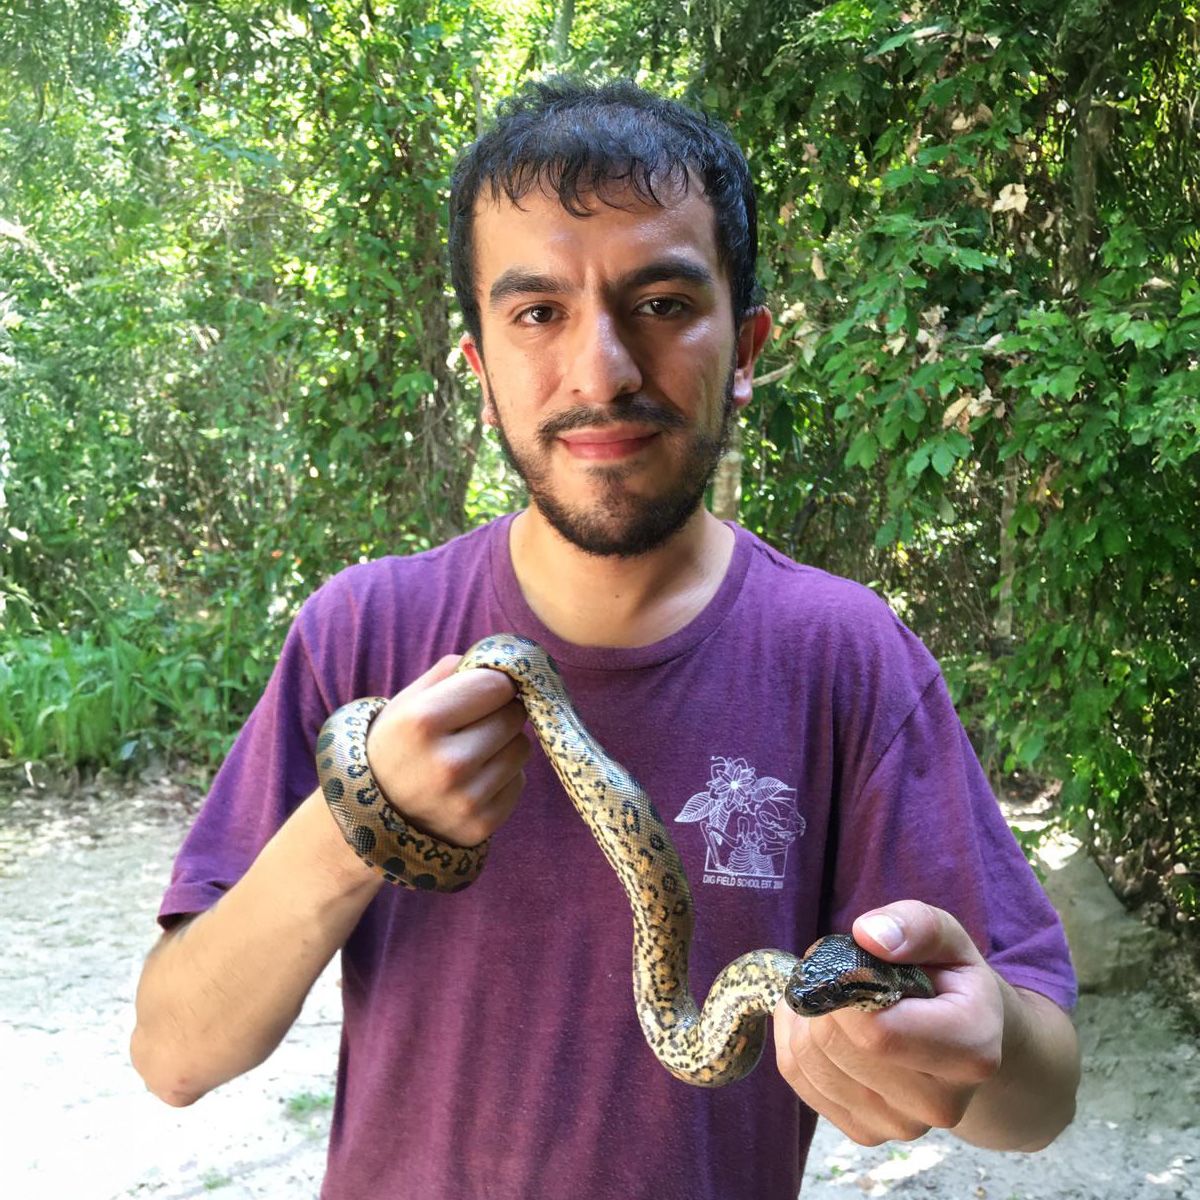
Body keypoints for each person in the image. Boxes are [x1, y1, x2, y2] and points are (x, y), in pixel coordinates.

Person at [131, 77, 1080, 1199]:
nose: (603, 372)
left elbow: (1043, 1095)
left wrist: (980, 1047)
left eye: (664, 304)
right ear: (481, 373)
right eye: (538, 313)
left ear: (749, 346)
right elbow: (173, 1055)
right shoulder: (364, 631)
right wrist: (359, 821)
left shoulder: (846, 657)